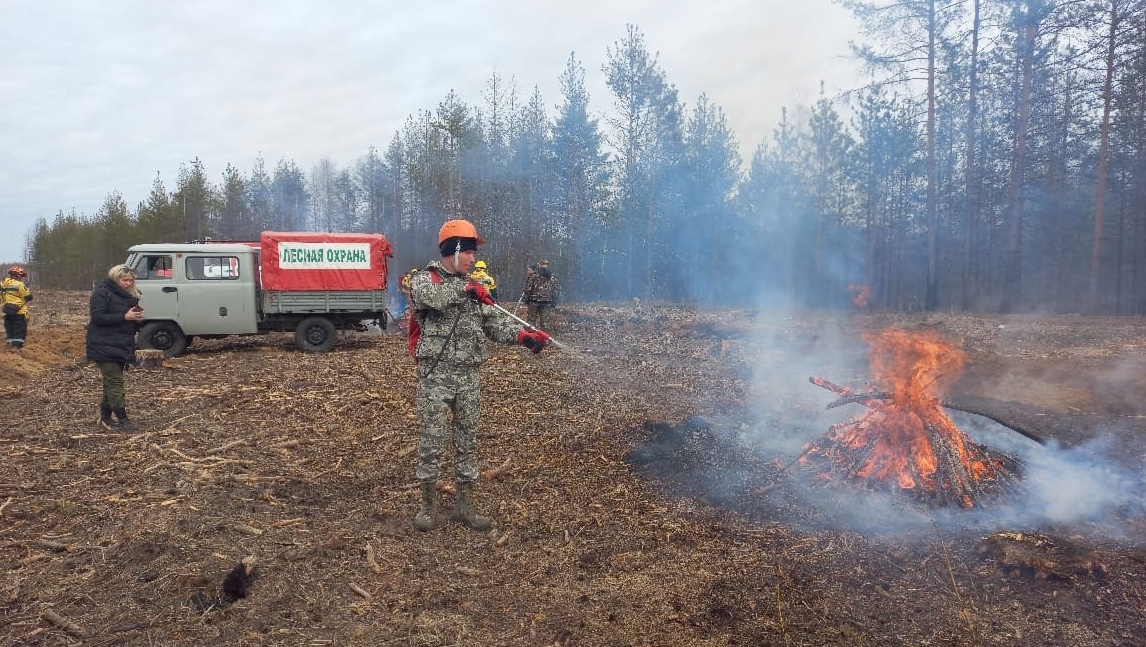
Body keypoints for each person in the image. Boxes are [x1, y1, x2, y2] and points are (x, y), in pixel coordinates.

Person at [408, 219, 550, 532]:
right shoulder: (425, 280)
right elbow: (431, 300)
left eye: (473, 254)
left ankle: (465, 505)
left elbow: (496, 324)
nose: (474, 259)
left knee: (467, 442)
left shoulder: (475, 288)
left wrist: (524, 337)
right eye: (469, 252)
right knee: (432, 442)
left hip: (468, 378)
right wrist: (465, 288)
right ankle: (427, 506)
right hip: (435, 378)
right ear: (453, 250)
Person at [86, 264, 145, 429]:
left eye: (130, 281)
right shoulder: (102, 292)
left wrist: (137, 321)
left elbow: (127, 322)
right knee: (115, 382)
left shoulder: (128, 296)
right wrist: (124, 317)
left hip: (119, 343)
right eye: (124, 280)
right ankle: (122, 418)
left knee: (110, 382)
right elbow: (98, 318)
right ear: (115, 278)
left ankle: (105, 417)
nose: (127, 283)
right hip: (102, 344)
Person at [522, 259, 560, 330]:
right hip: (547, 301)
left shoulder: (534, 275)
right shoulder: (553, 277)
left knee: (531, 322)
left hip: (534, 301)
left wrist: (526, 300)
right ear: (547, 265)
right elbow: (556, 291)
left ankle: (529, 337)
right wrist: (554, 302)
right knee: (545, 323)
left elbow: (528, 288)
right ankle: (544, 338)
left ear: (539, 265)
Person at [1, 265, 32, 351]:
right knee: (20, 332)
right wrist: (27, 290)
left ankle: (9, 348)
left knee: (10, 331)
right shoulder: (19, 284)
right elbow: (28, 297)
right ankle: (17, 349)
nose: (21, 278)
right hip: (19, 313)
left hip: (7, 312)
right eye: (21, 276)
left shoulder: (3, 283)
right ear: (17, 275)